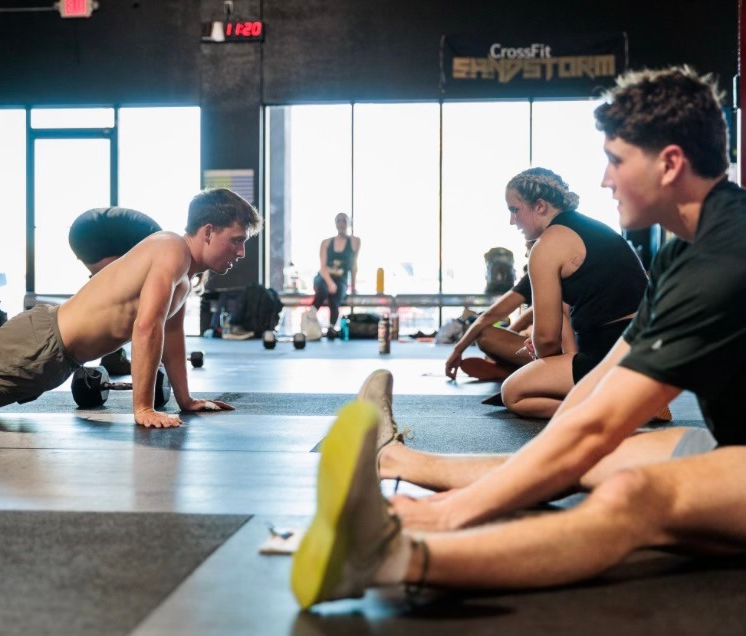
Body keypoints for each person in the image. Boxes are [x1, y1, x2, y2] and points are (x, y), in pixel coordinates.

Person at [290, 66, 746, 608]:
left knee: (635, 495)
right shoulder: (684, 250)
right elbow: (592, 395)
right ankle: (396, 461)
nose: (604, 180)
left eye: (616, 160)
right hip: (731, 449)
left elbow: (597, 422)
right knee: (594, 460)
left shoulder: (725, 257)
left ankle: (390, 557)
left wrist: (445, 514)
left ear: (670, 162)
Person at [0, 189, 261, 428]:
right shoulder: (171, 249)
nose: (241, 252)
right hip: (38, 346)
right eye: (236, 240)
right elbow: (146, 327)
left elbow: (172, 338)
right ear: (208, 231)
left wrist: (185, 400)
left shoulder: (186, 275)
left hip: (52, 357)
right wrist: (142, 407)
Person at [494, 167, 648, 418]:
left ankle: (609, 409)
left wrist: (544, 365)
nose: (512, 220)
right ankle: (619, 397)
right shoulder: (591, 228)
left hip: (612, 355)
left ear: (540, 206)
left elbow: (546, 339)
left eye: (514, 209)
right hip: (644, 348)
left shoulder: (547, 246)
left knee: (512, 392)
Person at [445, 240, 574, 383]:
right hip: (569, 352)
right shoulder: (563, 267)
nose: (526, 255)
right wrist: (512, 334)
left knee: (486, 335)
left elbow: (491, 315)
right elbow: (527, 313)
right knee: (520, 332)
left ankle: (512, 371)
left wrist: (457, 351)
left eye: (528, 249)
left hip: (566, 354)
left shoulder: (549, 269)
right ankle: (516, 369)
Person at [68, 206, 163, 375]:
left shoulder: (163, 243)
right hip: (93, 233)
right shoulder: (168, 253)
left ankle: (110, 357)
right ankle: (104, 355)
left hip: (84, 229)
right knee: (120, 300)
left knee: (119, 297)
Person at [303, 213, 361, 339]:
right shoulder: (326, 243)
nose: (341, 224)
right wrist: (330, 283)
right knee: (323, 289)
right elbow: (322, 267)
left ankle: (331, 328)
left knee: (335, 299)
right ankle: (310, 315)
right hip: (323, 277)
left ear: (348, 223)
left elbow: (353, 266)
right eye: (339, 221)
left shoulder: (355, 241)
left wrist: (354, 286)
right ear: (335, 224)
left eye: (344, 221)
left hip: (341, 280)